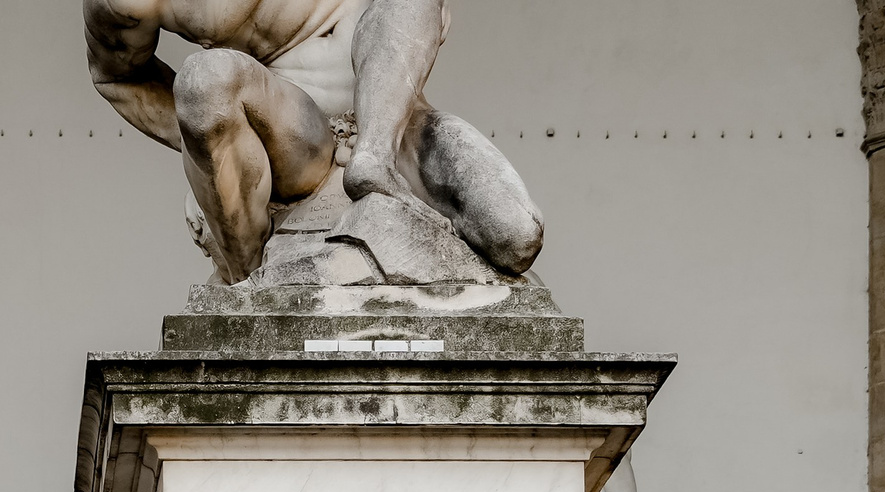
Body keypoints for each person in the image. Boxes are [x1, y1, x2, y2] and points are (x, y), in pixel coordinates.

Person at [85, 0, 543, 285]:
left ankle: (373, 159)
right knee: (204, 81)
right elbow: (116, 76)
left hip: (396, 119)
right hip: (292, 132)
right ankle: (247, 280)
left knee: (513, 235)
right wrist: (212, 141)